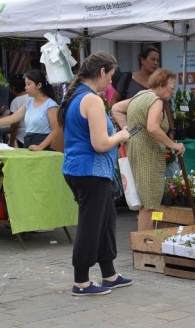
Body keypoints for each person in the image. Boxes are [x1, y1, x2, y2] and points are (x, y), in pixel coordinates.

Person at [57, 51, 133, 296]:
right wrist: (121, 135)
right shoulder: (91, 100)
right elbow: (100, 144)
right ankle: (81, 282)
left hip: (85, 170)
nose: (111, 82)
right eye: (110, 76)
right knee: (91, 225)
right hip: (90, 171)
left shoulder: (77, 95)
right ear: (102, 72)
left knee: (106, 220)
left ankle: (109, 273)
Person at [111, 69, 186, 231]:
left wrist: (127, 130)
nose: (173, 92)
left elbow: (116, 108)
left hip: (136, 149)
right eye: (172, 87)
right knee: (149, 202)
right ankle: (145, 245)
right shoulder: (156, 100)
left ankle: (145, 243)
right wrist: (173, 145)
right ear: (161, 85)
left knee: (143, 199)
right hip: (147, 153)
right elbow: (153, 128)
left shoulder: (139, 96)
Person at [0, 69, 60, 150]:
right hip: (28, 142)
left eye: (28, 84)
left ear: (39, 85)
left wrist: (40, 147)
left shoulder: (50, 105)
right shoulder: (29, 103)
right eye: (25, 84)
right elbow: (13, 118)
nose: (26, 87)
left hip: (44, 146)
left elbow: (56, 130)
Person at [7, 74, 32, 148]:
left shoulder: (16, 101)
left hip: (21, 137)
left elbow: (14, 124)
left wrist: (11, 142)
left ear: (13, 88)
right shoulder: (33, 97)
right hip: (34, 136)